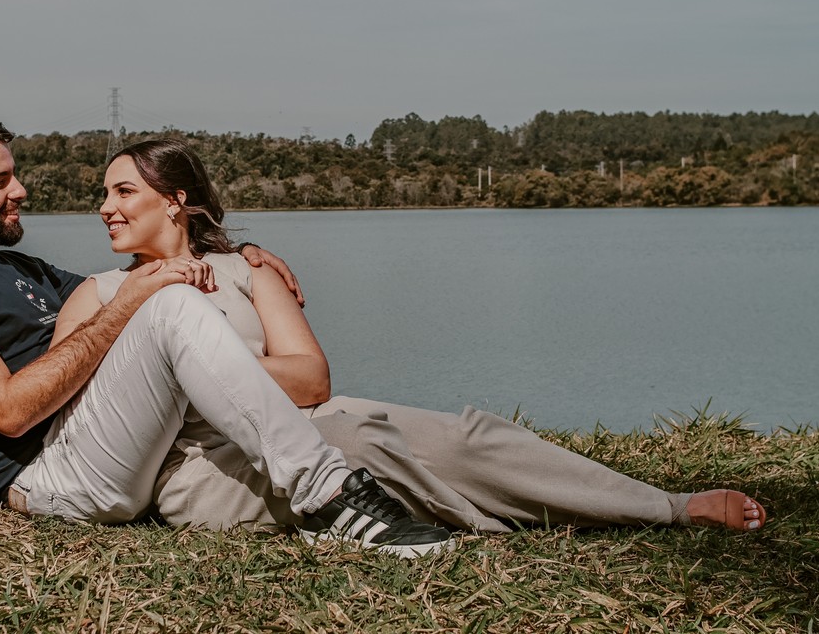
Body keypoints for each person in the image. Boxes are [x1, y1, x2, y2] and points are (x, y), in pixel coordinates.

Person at [52, 137, 769, 535]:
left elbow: (311, 379)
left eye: (123, 190)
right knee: (361, 446)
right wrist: (178, 359)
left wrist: (216, 365)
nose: (104, 207)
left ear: (176, 200)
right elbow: (75, 411)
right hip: (204, 472)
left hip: (308, 423)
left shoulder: (248, 269)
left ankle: (666, 503)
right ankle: (501, 524)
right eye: (104, 194)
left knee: (463, 436)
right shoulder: (98, 294)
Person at [0, 109, 453, 558]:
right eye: (0, 181)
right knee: (168, 303)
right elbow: (8, 412)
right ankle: (329, 496)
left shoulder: (18, 268)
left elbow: (130, 282)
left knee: (168, 300)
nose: (21, 190)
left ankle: (351, 484)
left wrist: (239, 257)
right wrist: (137, 299)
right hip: (50, 476)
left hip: (107, 448)